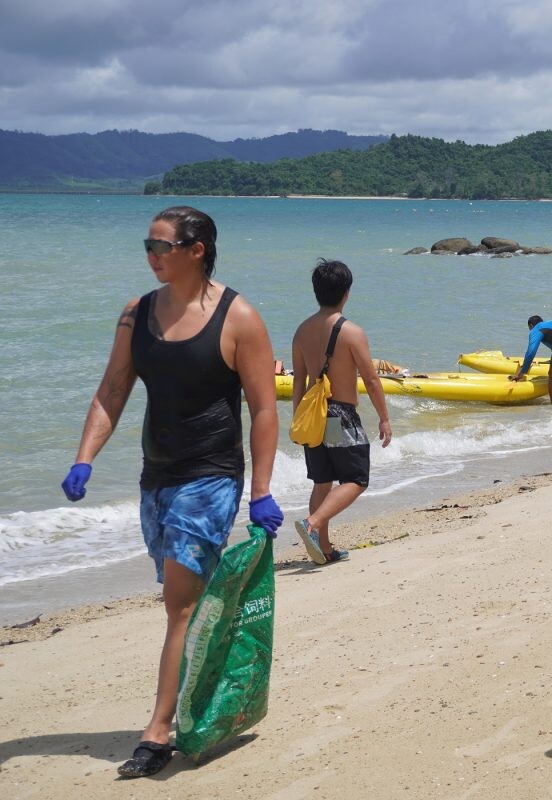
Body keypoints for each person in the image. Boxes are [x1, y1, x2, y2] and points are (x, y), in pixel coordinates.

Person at [60, 206, 283, 778]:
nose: (151, 255)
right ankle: (206, 693)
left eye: (161, 246)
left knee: (179, 604)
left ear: (196, 250)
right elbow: (113, 388)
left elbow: (262, 407)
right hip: (156, 477)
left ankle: (158, 732)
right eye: (148, 245)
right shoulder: (137, 315)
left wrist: (260, 490)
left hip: (211, 477)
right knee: (188, 597)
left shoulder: (239, 318)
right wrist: (85, 458)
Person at [291, 258, 392, 564]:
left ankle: (323, 550)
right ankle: (313, 523)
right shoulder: (352, 332)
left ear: (315, 291)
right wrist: (384, 418)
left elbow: (299, 381)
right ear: (346, 292)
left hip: (312, 415)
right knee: (356, 479)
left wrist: (299, 419)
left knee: (322, 481)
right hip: (339, 415)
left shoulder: (301, 331)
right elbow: (372, 380)